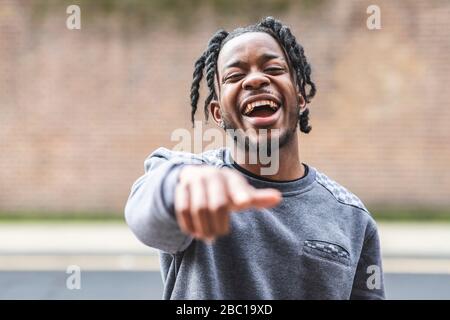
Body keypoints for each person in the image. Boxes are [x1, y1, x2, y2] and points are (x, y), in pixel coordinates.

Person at [125, 16, 385, 300]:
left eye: (273, 68)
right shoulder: (189, 176)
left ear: (300, 97)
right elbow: (144, 215)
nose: (257, 79)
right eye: (235, 76)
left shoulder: (351, 216)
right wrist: (177, 186)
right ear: (217, 112)